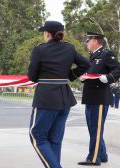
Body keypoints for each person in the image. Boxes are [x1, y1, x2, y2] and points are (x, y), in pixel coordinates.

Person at [28, 21, 90, 168]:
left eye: (44, 32)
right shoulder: (69, 48)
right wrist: (68, 76)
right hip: (64, 98)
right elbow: (86, 64)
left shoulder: (39, 50)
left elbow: (32, 76)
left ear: (48, 33)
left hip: (46, 98)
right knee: (55, 139)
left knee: (37, 136)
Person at [78, 31, 120, 166]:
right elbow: (91, 72)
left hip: (99, 97)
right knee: (94, 129)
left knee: (96, 130)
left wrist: (108, 78)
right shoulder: (92, 56)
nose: (86, 43)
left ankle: (93, 158)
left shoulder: (106, 54)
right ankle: (102, 155)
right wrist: (83, 77)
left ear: (95, 41)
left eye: (88, 40)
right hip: (90, 97)